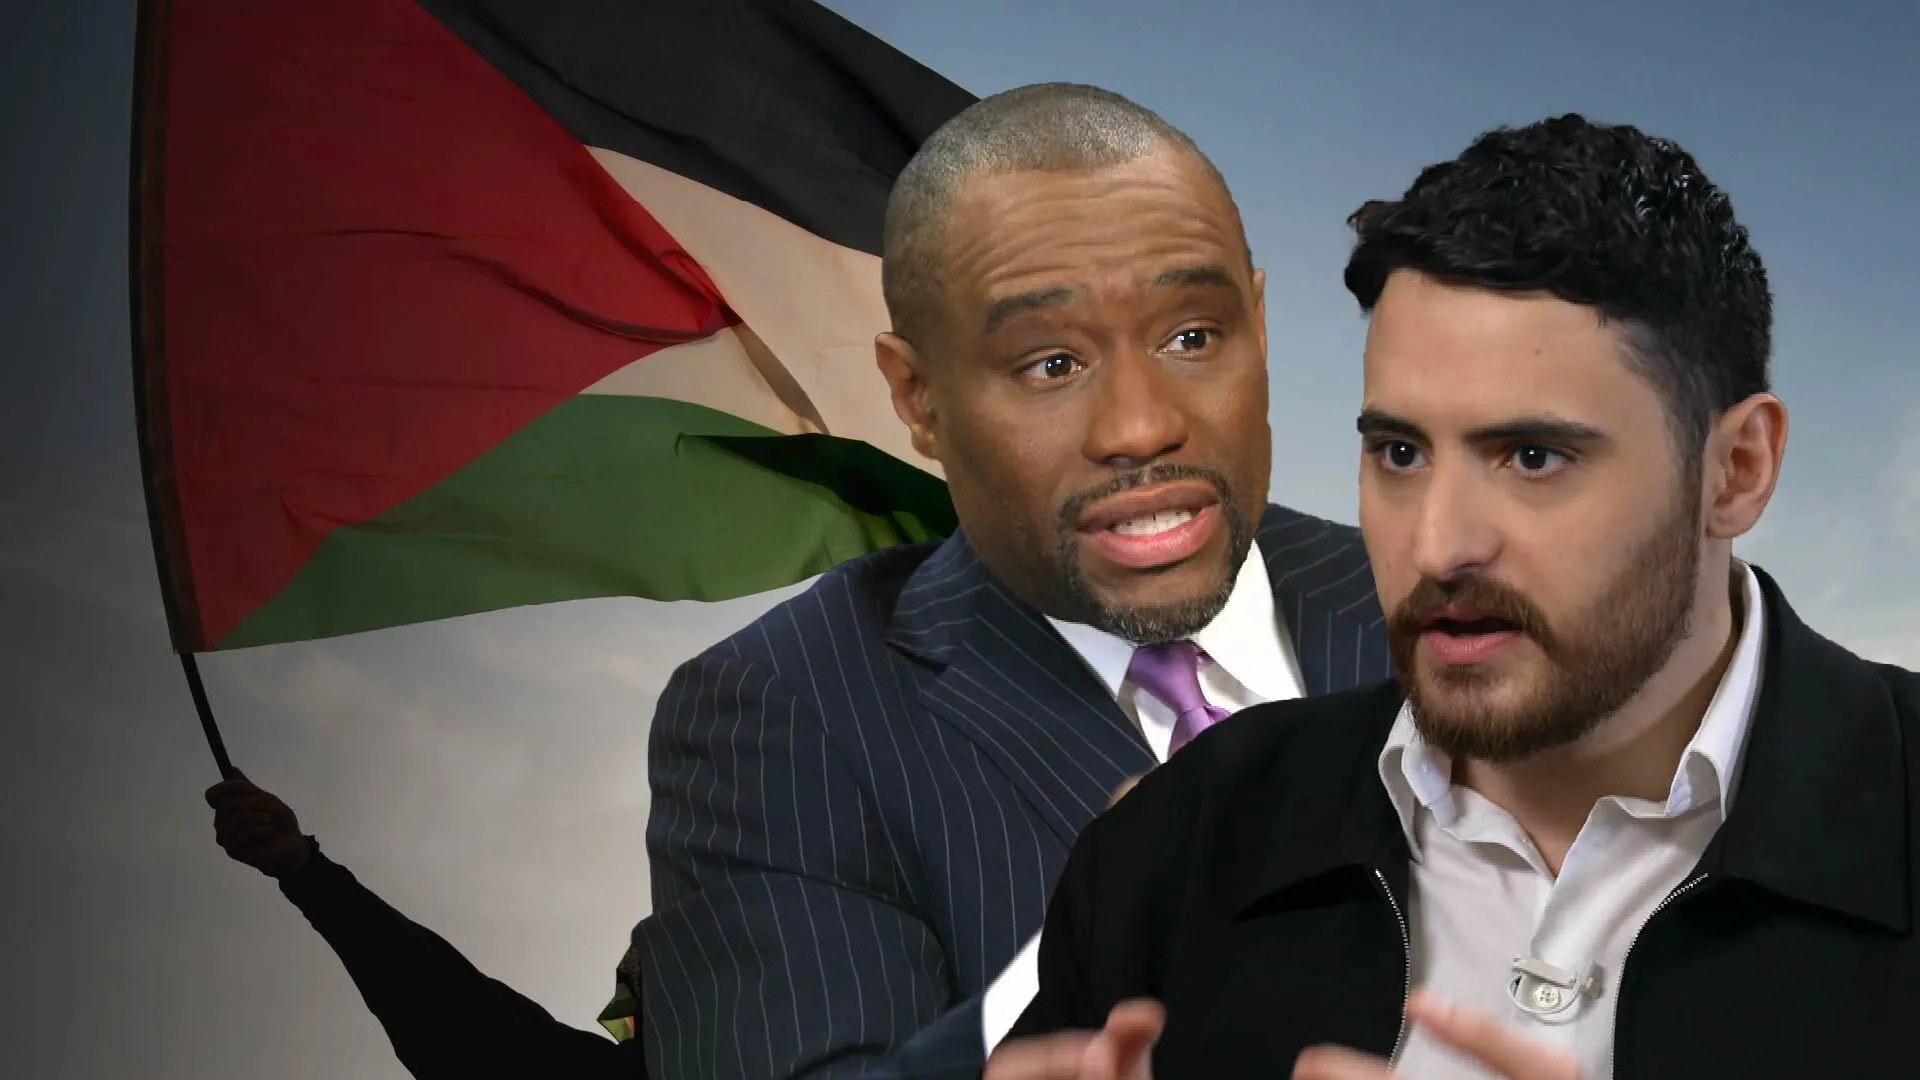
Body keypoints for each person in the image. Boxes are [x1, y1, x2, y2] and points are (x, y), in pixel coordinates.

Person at [207, 82, 1396, 1079]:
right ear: (917, 400)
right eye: (1048, 362)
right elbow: (479, 1037)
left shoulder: (1440, 605)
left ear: (1259, 321)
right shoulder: (787, 716)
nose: (1141, 423)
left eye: (1193, 337)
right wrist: (1099, 933)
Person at [987, 113, 1920, 1079]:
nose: (1437, 546)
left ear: (1736, 469)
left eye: (1533, 456)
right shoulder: (1180, 838)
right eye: (1399, 453)